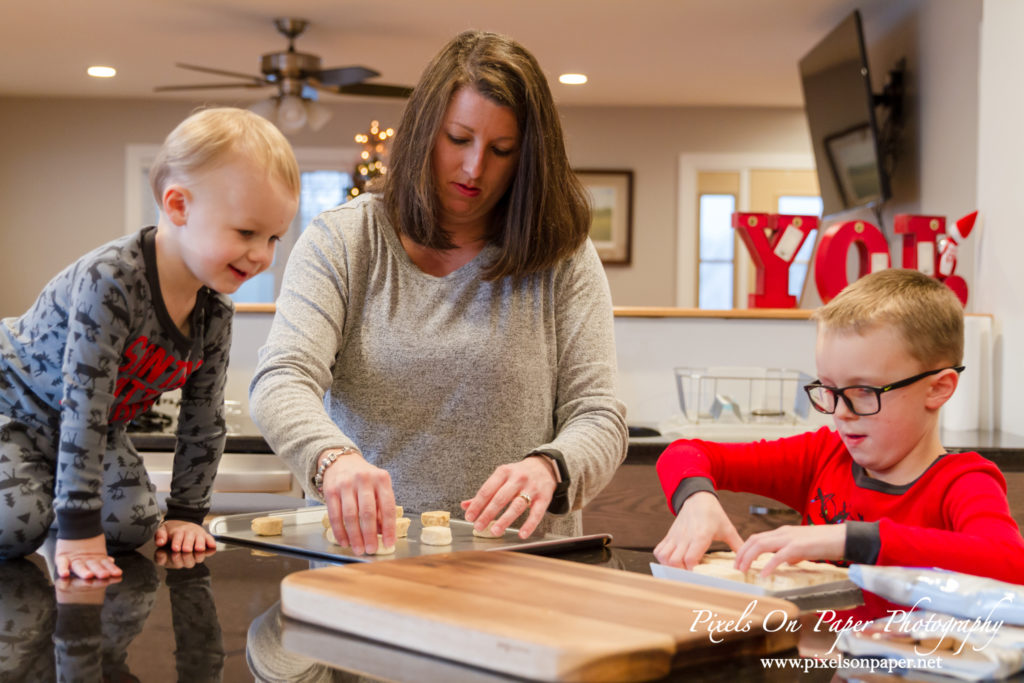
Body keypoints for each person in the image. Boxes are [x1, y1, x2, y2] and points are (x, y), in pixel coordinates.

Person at [250, 30, 628, 556]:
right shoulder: (344, 241)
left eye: (501, 150)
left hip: (525, 568)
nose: (475, 169)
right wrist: (332, 458)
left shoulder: (562, 256)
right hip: (368, 564)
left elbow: (599, 416)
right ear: (426, 130)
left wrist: (551, 467)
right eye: (458, 139)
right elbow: (281, 379)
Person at [0, 107, 300, 579]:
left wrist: (186, 513)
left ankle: (51, 499)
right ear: (179, 206)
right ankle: (44, 505)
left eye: (273, 238)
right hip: (16, 406)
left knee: (132, 525)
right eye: (246, 232)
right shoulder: (112, 280)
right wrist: (79, 529)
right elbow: (85, 404)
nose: (262, 255)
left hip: (92, 431)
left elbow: (204, 420)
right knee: (13, 528)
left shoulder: (214, 312)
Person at [654, 268, 1024, 584]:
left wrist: (849, 539)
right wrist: (696, 500)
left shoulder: (962, 482)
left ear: (938, 389)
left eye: (863, 391)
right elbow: (686, 452)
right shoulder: (823, 456)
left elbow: (1011, 563)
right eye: (829, 388)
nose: (840, 412)